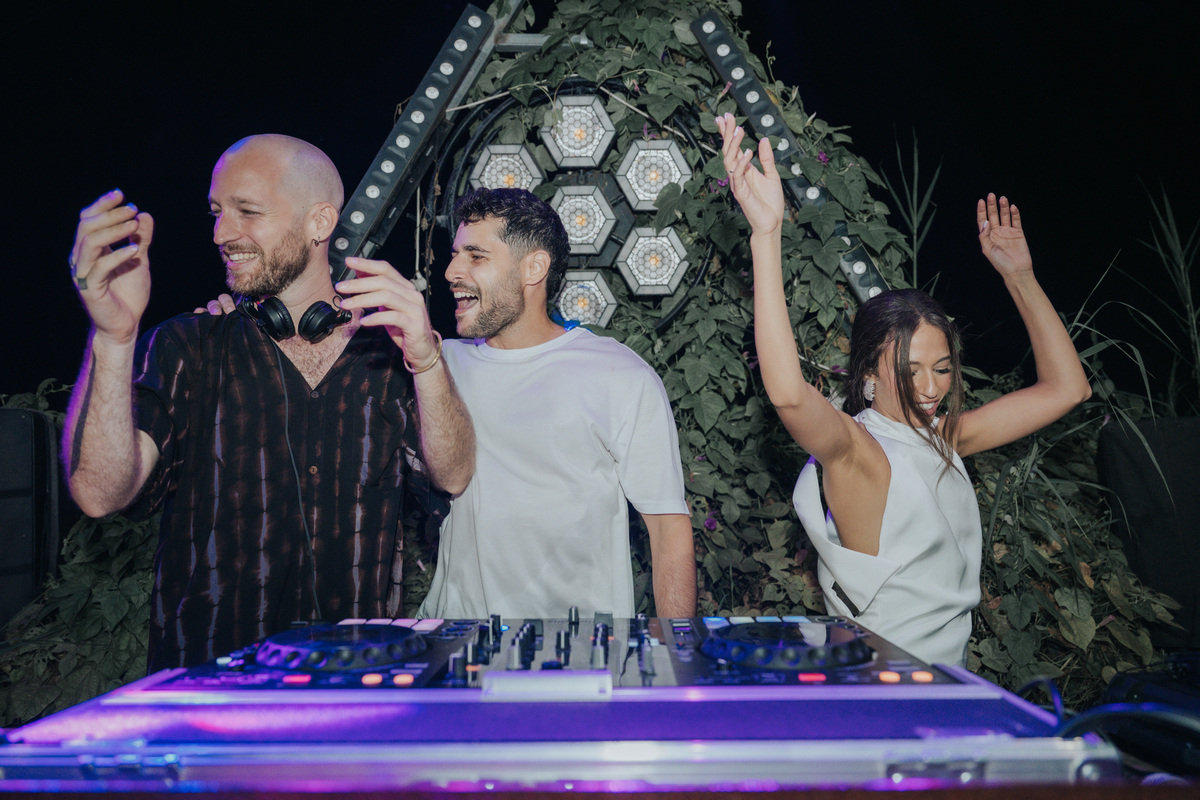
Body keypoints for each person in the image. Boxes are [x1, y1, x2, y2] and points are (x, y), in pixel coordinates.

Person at [64, 134, 475, 671]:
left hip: (354, 679)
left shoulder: (390, 353)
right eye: (216, 212)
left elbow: (453, 476)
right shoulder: (188, 346)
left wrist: (425, 357)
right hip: (212, 688)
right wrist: (114, 337)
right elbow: (98, 494)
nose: (221, 233)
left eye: (248, 211)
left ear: (319, 223)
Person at [716, 113, 1091, 666]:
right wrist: (766, 236)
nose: (931, 387)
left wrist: (1019, 276)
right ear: (868, 373)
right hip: (883, 691)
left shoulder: (943, 438)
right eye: (910, 370)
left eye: (942, 368)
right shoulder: (857, 451)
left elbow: (1068, 389)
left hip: (947, 685)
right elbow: (790, 395)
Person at [389, 187, 696, 620]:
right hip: (458, 636)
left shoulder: (617, 373)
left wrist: (676, 648)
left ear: (534, 268)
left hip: (580, 644)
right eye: (456, 254)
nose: (452, 271)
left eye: (476, 256)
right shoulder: (438, 366)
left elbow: (668, 527)